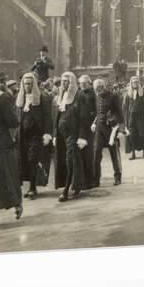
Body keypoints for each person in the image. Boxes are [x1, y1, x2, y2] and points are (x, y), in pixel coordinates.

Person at [16, 72, 52, 200]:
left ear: (34, 84)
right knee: (24, 160)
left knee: (32, 160)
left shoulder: (42, 97)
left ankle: (33, 187)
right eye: (25, 84)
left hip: (36, 134)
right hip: (23, 135)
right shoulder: (20, 98)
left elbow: (47, 117)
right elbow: (17, 117)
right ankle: (28, 186)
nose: (27, 86)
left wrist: (47, 133)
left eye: (30, 84)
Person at [0, 72, 22, 220]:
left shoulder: (2, 97)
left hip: (2, 144)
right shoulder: (0, 96)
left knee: (6, 174)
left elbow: (13, 121)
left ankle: (17, 203)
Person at [52, 72, 87, 202]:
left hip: (73, 134)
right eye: (62, 81)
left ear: (72, 82)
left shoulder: (79, 96)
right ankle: (74, 184)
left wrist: (82, 136)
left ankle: (66, 190)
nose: (64, 83)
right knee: (63, 160)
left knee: (70, 159)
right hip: (61, 134)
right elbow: (57, 117)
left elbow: (84, 118)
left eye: (67, 81)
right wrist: (55, 134)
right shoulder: (59, 96)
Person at [92, 78, 125, 187]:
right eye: (95, 89)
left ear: (103, 87)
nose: (97, 91)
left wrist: (117, 124)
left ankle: (117, 177)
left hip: (111, 129)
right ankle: (96, 179)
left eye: (99, 88)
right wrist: (94, 122)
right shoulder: (96, 96)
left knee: (113, 152)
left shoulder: (113, 95)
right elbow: (98, 112)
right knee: (96, 152)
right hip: (99, 129)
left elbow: (119, 112)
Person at [122, 76, 144, 160]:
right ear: (131, 84)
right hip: (131, 118)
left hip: (141, 117)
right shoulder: (127, 95)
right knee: (132, 135)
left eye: (137, 82)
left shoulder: (143, 93)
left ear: (139, 83)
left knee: (142, 134)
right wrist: (125, 122)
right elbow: (125, 108)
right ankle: (133, 153)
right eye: (133, 82)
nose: (135, 83)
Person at [78, 74, 96, 190]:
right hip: (81, 127)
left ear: (89, 83)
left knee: (89, 154)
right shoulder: (79, 94)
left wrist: (93, 121)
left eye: (84, 84)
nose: (82, 86)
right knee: (82, 153)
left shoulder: (93, 94)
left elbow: (96, 110)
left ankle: (90, 180)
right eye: (81, 84)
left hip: (90, 128)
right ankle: (83, 179)